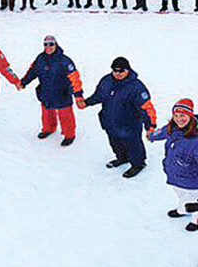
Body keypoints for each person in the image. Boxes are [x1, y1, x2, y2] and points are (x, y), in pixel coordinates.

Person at [80, 56, 157, 178]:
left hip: (129, 124)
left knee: (133, 145)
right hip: (110, 122)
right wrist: (87, 102)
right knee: (115, 143)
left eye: (121, 71)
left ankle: (138, 164)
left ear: (128, 70)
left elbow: (146, 108)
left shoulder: (136, 87)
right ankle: (122, 158)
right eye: (115, 70)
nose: (118, 74)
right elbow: (99, 95)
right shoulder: (106, 81)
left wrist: (151, 126)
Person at [20, 35, 83, 146]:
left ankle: (69, 135)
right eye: (46, 44)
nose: (48, 47)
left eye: (51, 44)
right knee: (47, 114)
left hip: (62, 94)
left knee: (66, 117)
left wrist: (78, 95)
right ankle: (48, 129)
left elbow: (75, 78)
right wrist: (24, 82)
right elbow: (32, 71)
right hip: (46, 92)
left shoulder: (65, 61)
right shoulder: (40, 58)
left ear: (56, 45)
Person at [146, 98, 198, 231]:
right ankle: (183, 209)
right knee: (181, 195)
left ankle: (196, 218)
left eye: (183, 115)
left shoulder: (195, 139)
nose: (179, 119)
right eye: (176, 115)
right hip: (174, 174)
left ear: (190, 116)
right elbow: (161, 133)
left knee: (193, 200)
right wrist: (151, 136)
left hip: (192, 180)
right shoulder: (172, 128)